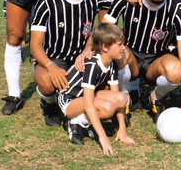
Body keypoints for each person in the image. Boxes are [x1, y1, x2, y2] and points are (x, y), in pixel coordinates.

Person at [103, 0, 181, 123]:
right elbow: (102, 30)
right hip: (131, 57)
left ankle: (155, 97)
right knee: (117, 50)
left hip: (156, 60)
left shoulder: (177, 10)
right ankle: (124, 98)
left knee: (176, 70)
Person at [30, 0, 112, 126]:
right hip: (54, 59)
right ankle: (49, 103)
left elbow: (104, 27)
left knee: (105, 87)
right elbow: (35, 45)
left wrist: (88, 48)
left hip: (81, 60)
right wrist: (51, 67)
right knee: (46, 82)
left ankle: (73, 104)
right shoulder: (47, 2)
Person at [58, 23, 135, 153]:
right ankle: (75, 122)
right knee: (108, 108)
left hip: (83, 97)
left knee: (122, 98)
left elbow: (118, 100)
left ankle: (88, 124)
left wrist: (122, 129)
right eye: (119, 44)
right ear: (105, 47)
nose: (123, 48)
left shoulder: (111, 64)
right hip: (69, 101)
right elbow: (88, 104)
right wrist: (103, 137)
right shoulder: (92, 65)